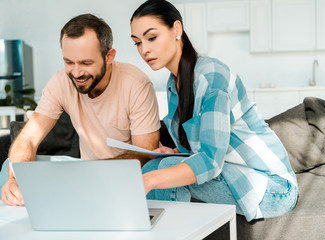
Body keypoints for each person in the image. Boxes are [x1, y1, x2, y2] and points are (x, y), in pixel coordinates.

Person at [130, 0, 298, 221]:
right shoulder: (174, 85)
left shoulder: (212, 76)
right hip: (233, 173)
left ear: (176, 30)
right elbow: (200, 151)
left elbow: (210, 163)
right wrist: (174, 153)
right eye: (137, 43)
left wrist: (151, 180)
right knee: (156, 164)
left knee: (157, 172)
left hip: (274, 187)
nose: (144, 49)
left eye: (151, 38)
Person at [1, 14, 160, 206]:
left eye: (86, 63)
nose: (76, 73)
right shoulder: (61, 81)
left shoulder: (136, 84)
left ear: (109, 56)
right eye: (69, 62)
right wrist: (16, 179)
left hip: (126, 180)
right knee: (8, 168)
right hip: (85, 176)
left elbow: (144, 154)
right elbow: (28, 139)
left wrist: (83, 174)